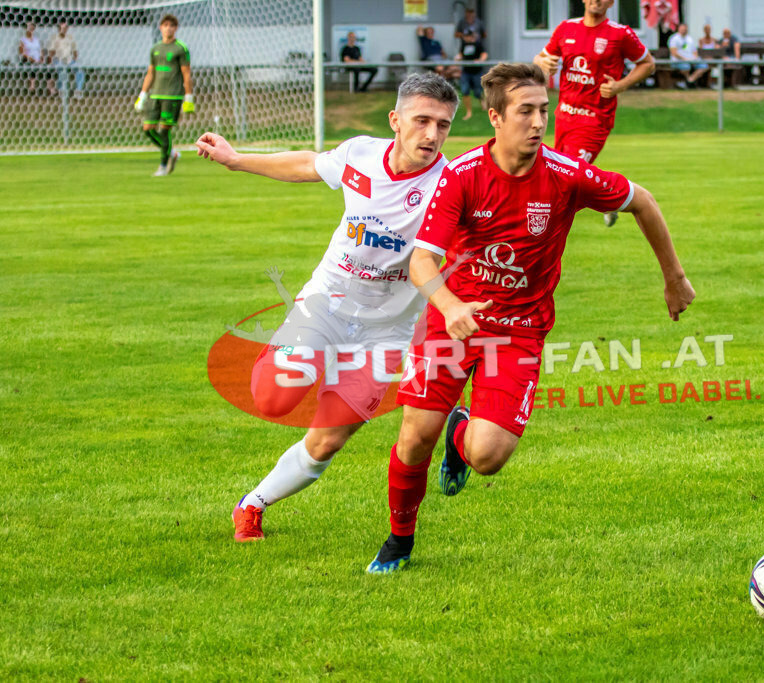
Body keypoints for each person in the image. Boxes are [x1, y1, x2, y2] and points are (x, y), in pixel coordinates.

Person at [365, 62, 696, 574]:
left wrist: (674, 278)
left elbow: (643, 201)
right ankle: (398, 542)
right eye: (526, 111)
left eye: (544, 109)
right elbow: (421, 260)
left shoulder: (566, 176)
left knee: (488, 457)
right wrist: (450, 307)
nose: (539, 121)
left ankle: (462, 435)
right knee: (413, 438)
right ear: (496, 117)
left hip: (519, 331)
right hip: (453, 323)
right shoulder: (461, 176)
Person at [194, 72, 460, 544]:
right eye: (422, 121)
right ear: (395, 120)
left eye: (443, 125)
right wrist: (236, 160)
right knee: (273, 399)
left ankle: (251, 503)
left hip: (387, 332)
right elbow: (307, 165)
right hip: (328, 303)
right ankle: (294, 354)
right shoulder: (360, 154)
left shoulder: (450, 184)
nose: (432, 134)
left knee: (325, 441)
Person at [533, 0, 655, 227]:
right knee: (561, 175)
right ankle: (611, 201)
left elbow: (648, 64)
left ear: (610, 2)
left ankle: (542, 233)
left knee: (565, 182)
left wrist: (620, 85)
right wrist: (543, 64)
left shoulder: (620, 34)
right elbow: (540, 58)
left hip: (595, 119)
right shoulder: (566, 28)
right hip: (564, 116)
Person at [134, 14, 193, 176]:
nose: (168, 28)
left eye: (172, 25)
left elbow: (186, 74)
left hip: (172, 95)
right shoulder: (155, 49)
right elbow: (150, 73)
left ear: (176, 28)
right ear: (160, 27)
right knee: (147, 129)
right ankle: (171, 152)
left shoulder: (181, 48)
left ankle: (162, 166)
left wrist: (189, 97)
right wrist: (143, 95)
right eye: (165, 25)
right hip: (155, 95)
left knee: (165, 130)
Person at [454, 23, 488, 120]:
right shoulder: (464, 44)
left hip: (477, 71)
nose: (465, 37)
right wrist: (457, 58)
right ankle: (469, 112)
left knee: (478, 91)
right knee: (465, 91)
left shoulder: (478, 44)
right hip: (466, 71)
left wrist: (480, 60)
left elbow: (484, 54)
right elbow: (461, 54)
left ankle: (482, 101)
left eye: (467, 36)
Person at [48, 20, 85, 97]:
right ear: (58, 29)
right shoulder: (54, 38)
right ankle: (62, 91)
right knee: (62, 71)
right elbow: (51, 52)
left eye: (65, 28)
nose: (64, 30)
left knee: (80, 71)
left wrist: (74, 59)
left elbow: (75, 50)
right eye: (62, 28)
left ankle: (78, 91)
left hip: (69, 61)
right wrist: (51, 61)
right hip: (58, 60)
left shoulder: (70, 37)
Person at [667, 23, 708, 89]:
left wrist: (695, 58)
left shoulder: (690, 39)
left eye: (685, 29)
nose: (684, 30)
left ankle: (689, 80)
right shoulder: (674, 39)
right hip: (678, 61)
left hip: (691, 60)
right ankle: (689, 83)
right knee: (686, 67)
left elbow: (695, 51)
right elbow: (674, 52)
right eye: (682, 29)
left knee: (704, 66)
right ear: (678, 29)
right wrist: (684, 58)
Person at [18, 22, 47, 95]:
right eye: (29, 27)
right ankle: (32, 88)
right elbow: (22, 53)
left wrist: (41, 58)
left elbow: (40, 50)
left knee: (48, 68)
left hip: (37, 60)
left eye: (32, 28)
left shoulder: (36, 39)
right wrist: (32, 59)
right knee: (32, 66)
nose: (30, 29)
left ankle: (51, 90)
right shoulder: (23, 39)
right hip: (28, 59)